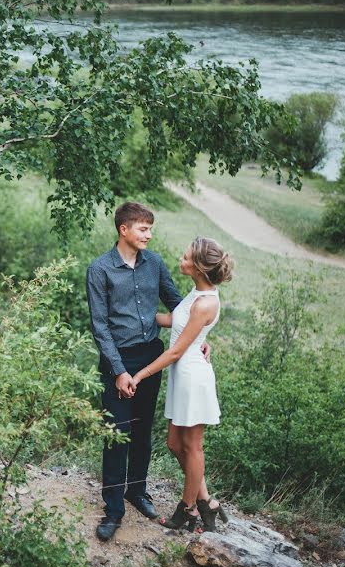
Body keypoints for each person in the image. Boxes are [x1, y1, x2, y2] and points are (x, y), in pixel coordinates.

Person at [86, 202, 202, 542]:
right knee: (116, 433)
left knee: (141, 431)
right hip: (116, 361)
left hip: (151, 359)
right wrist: (119, 371)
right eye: (143, 229)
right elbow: (100, 326)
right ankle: (113, 509)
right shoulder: (100, 269)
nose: (149, 235)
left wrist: (198, 339)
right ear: (124, 230)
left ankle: (137, 492)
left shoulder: (155, 264)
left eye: (150, 229)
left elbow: (180, 306)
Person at [131, 236, 234, 532]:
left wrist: (140, 374)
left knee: (193, 446)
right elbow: (174, 322)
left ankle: (187, 511)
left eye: (187, 257)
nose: (181, 258)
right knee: (174, 444)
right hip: (182, 374)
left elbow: (176, 350)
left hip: (192, 377)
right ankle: (207, 502)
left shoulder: (205, 303)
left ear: (199, 267)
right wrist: (136, 316)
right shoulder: (196, 293)